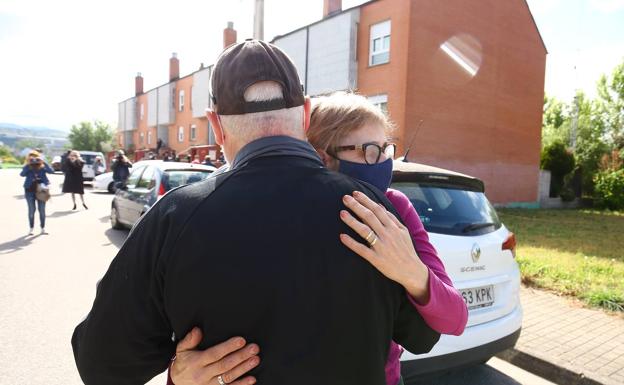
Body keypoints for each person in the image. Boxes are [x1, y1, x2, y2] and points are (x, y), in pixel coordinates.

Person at [71, 40, 439, 385]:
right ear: (306, 114)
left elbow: (101, 364)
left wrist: (178, 371)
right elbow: (424, 335)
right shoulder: (370, 211)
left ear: (216, 125)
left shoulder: (176, 216)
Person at [167, 93, 468, 385]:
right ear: (321, 156)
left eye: (384, 149)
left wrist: (411, 272)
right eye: (368, 151)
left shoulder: (395, 209)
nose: (381, 163)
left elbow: (454, 319)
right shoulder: (269, 210)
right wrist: (180, 375)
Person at [20, 151, 54, 235]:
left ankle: (43, 228)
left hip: (41, 191)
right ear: (29, 158)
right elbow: (22, 174)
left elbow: (51, 171)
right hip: (29, 191)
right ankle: (31, 228)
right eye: (32, 157)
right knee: (31, 210)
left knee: (42, 210)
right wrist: (28, 164)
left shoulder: (42, 166)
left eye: (36, 157)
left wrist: (43, 162)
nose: (34, 159)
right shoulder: (28, 166)